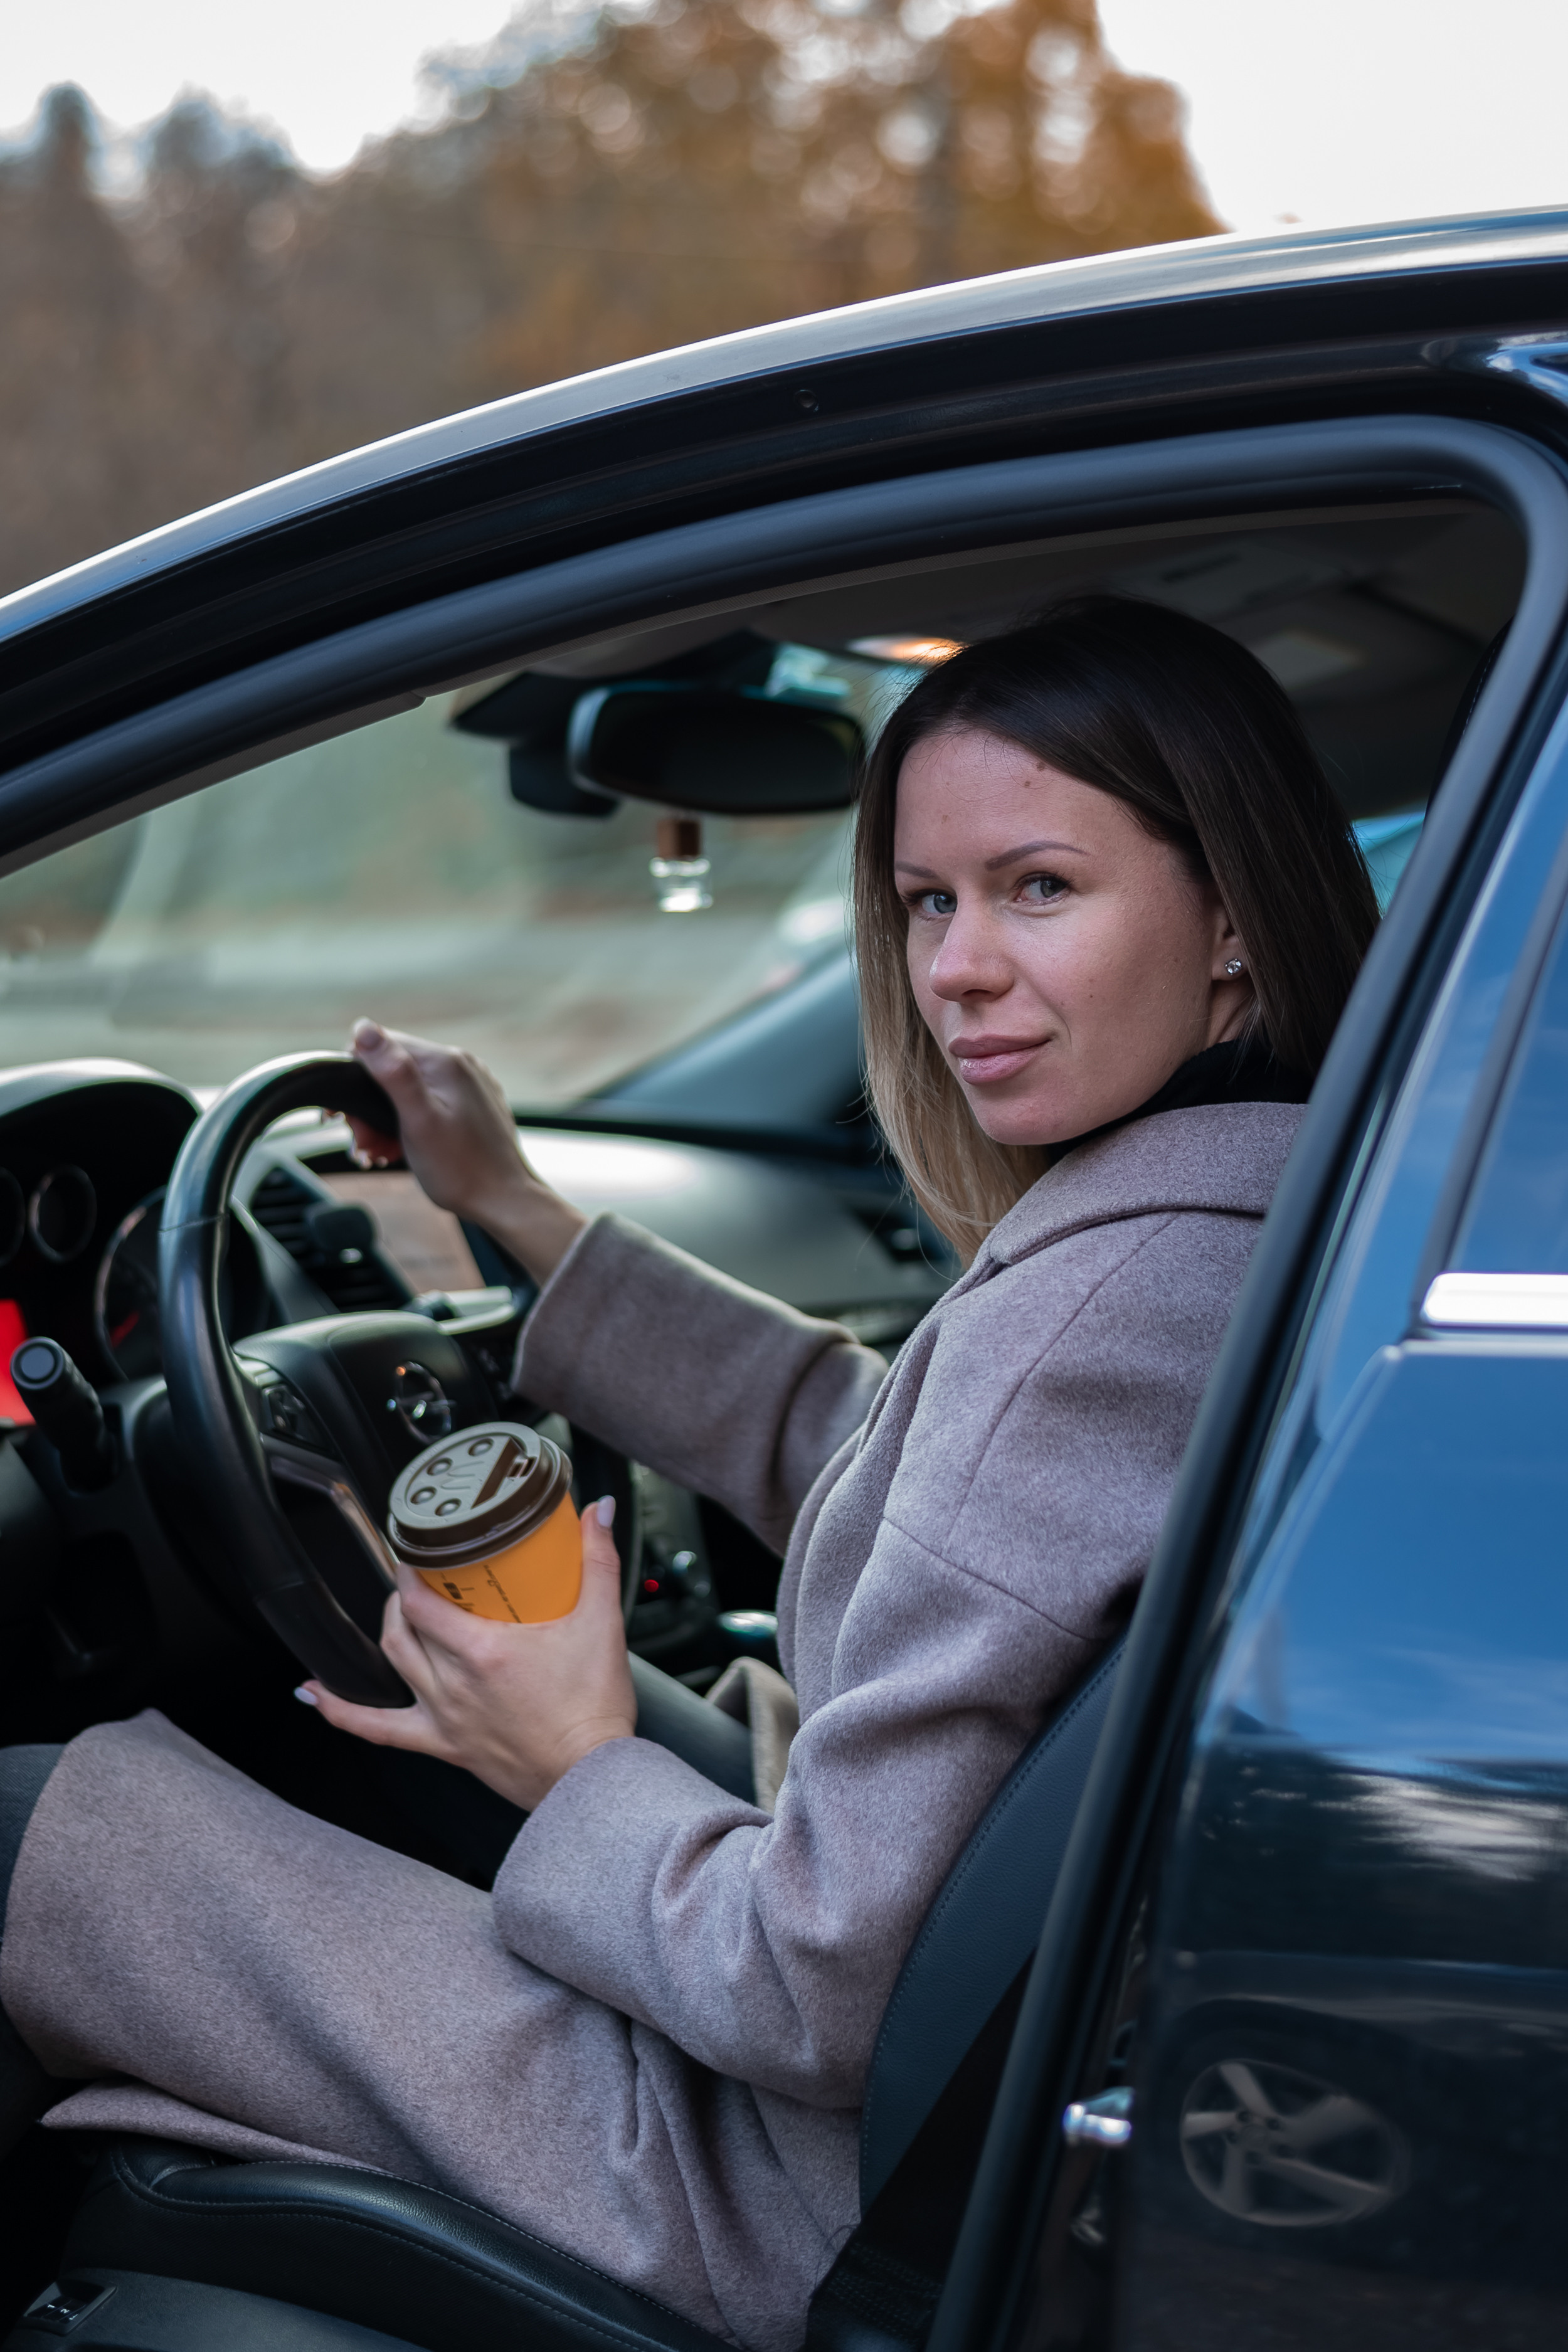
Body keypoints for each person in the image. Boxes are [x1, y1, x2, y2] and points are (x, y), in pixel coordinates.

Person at [0, 597, 1377, 2351]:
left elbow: (817, 1990)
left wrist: (571, 1756)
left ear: (1236, 921)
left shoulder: (1111, 1292)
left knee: (35, 1826)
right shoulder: (1241, 1212)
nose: (953, 968)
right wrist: (514, 1208)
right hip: (925, 2122)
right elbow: (894, 1472)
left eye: (1038, 888)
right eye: (925, 902)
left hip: (785, 2184)